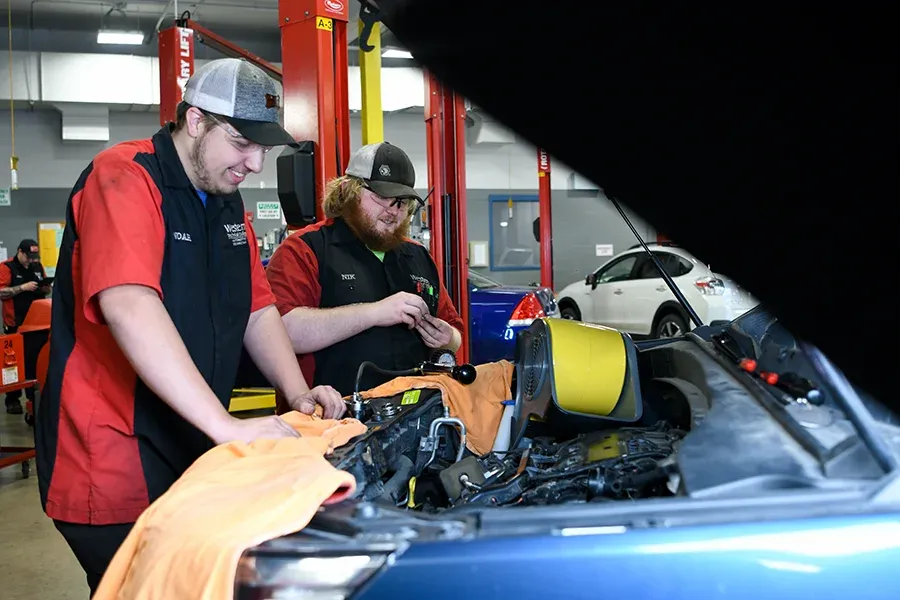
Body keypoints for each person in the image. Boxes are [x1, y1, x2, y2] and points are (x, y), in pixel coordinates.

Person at [34, 58, 345, 597]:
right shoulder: (125, 175)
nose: (254, 163)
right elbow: (129, 304)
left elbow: (256, 306)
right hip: (111, 448)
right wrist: (226, 426)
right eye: (242, 143)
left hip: (190, 439)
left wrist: (296, 393)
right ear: (196, 120)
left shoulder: (227, 202)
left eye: (264, 149)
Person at [265, 141, 465, 405]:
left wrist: (447, 338)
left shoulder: (417, 256)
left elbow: (455, 333)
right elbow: (282, 333)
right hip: (330, 420)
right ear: (349, 191)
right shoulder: (306, 249)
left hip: (414, 418)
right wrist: (375, 312)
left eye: (402, 202)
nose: (393, 211)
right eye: (382, 197)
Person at [0, 239, 51, 414]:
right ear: (19, 252)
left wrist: (45, 288)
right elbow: (1, 292)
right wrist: (22, 287)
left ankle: (33, 397)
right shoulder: (7, 267)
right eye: (28, 257)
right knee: (12, 365)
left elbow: (46, 289)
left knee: (33, 363)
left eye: (34, 257)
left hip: (36, 325)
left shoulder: (37, 266)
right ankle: (12, 400)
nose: (31, 260)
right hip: (15, 323)